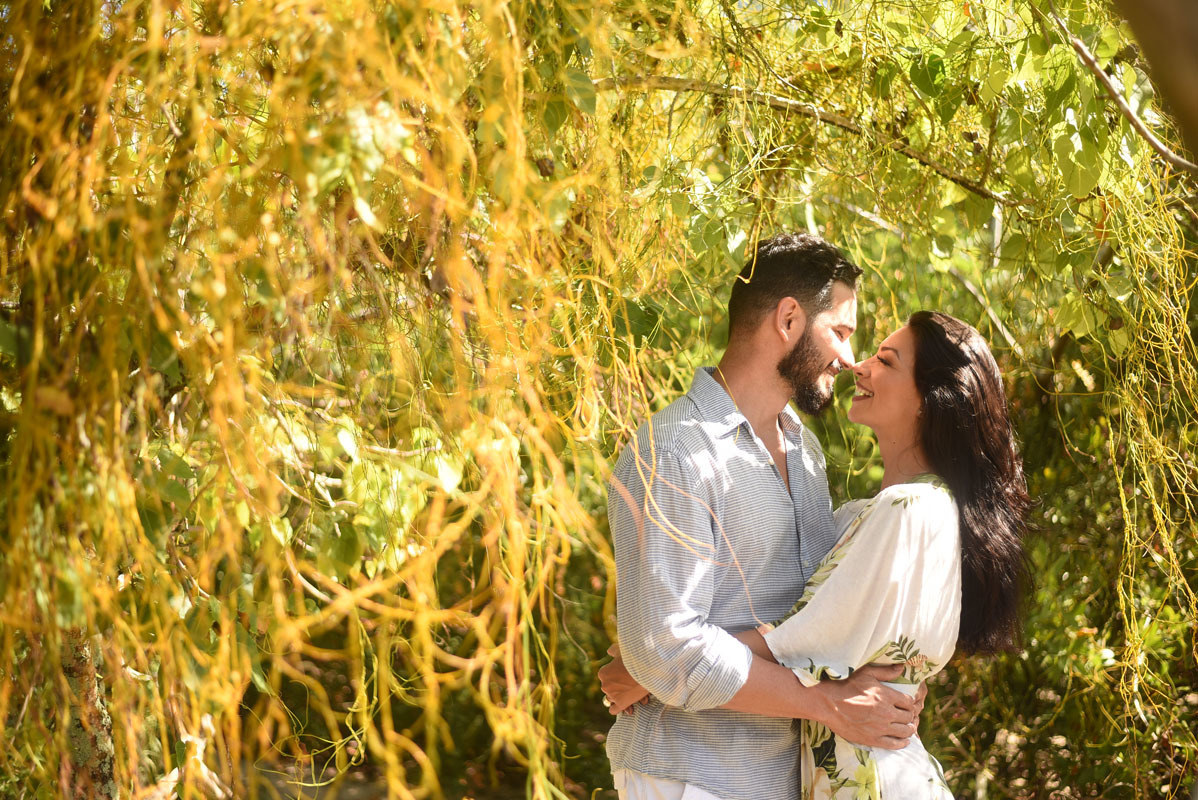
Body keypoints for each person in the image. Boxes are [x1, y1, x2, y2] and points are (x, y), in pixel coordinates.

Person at [606, 310, 1031, 798]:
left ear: (928, 403)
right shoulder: (863, 514)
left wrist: (649, 667)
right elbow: (810, 629)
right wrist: (655, 659)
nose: (858, 365)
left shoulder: (912, 508)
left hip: (876, 777)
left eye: (886, 362)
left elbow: (804, 635)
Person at [600, 233, 924, 800]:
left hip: (784, 779)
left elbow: (812, 616)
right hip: (691, 776)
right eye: (841, 333)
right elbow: (667, 649)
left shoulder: (806, 452)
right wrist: (824, 702)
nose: (850, 359)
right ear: (790, 319)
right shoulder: (674, 452)